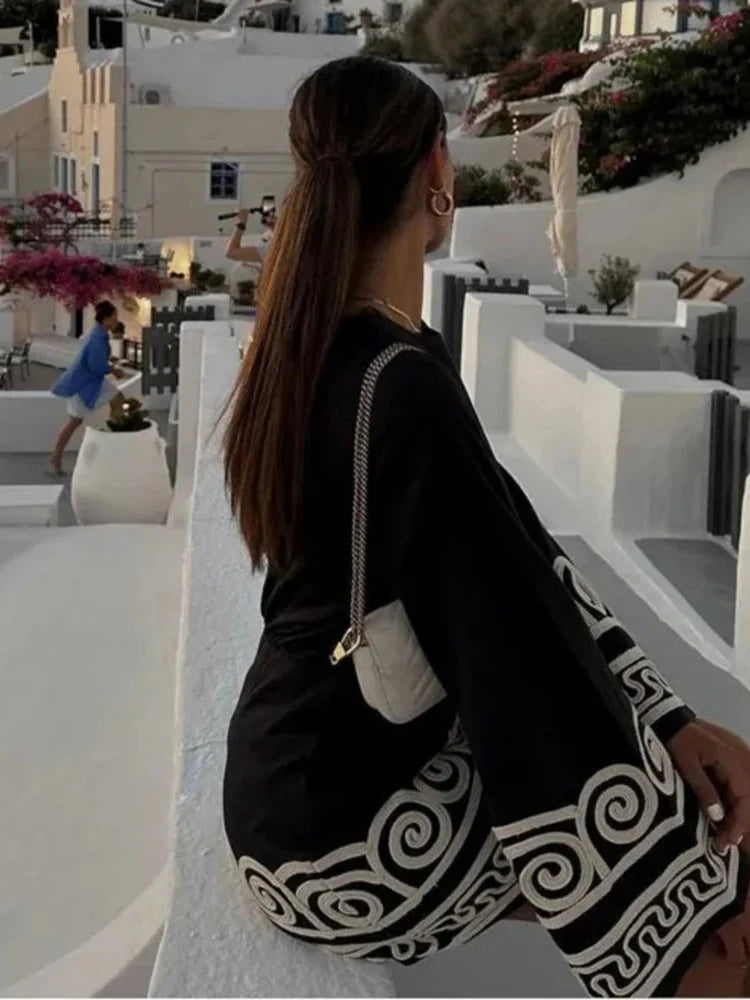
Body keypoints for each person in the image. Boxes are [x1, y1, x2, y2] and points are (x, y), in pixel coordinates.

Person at [222, 57, 750, 997]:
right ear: (439, 176)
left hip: (285, 797)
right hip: (346, 842)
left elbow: (517, 556)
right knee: (710, 875)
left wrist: (667, 719)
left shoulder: (330, 349)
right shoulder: (400, 379)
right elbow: (516, 646)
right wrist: (679, 886)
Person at [49, 300, 125, 477]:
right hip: (83, 383)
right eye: (114, 318)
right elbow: (96, 366)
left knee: (117, 400)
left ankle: (114, 441)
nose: (116, 321)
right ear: (105, 319)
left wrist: (109, 362)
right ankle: (56, 455)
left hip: (90, 381)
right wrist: (113, 369)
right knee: (74, 421)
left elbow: (96, 360)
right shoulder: (98, 337)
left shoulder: (99, 333)